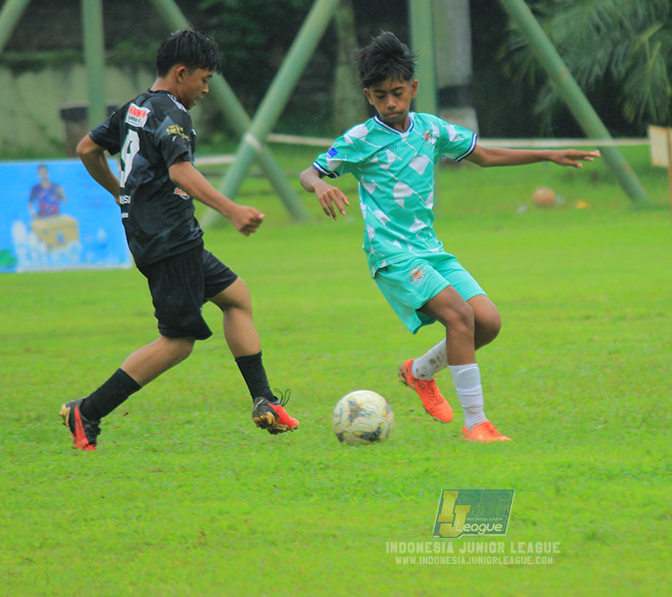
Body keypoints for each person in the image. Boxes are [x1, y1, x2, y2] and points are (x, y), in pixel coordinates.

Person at [299, 31, 598, 443]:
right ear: (369, 96)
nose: (391, 102)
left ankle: (419, 372)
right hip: (392, 255)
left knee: (487, 323)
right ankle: (476, 424)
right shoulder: (359, 140)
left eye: (398, 93)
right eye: (381, 95)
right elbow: (309, 172)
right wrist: (318, 186)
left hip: (430, 250)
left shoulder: (431, 129)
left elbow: (486, 156)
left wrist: (547, 154)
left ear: (413, 89)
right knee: (459, 317)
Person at [61, 29, 298, 451]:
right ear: (181, 72)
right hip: (168, 237)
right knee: (177, 342)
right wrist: (233, 210)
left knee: (237, 297)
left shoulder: (135, 108)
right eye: (203, 80)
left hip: (166, 235)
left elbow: (86, 149)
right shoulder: (173, 113)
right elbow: (180, 172)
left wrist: (120, 191)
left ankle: (264, 400)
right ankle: (88, 411)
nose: (205, 90)